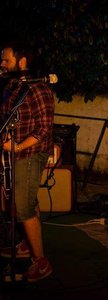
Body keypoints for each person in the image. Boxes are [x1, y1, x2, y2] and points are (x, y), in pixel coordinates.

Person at [0, 42, 54, 282]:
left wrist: (18, 146)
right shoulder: (13, 87)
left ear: (22, 62)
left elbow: (44, 129)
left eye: (6, 60)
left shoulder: (39, 89)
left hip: (29, 154)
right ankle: (27, 245)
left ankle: (41, 262)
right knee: (23, 202)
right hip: (14, 153)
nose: (1, 64)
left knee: (23, 207)